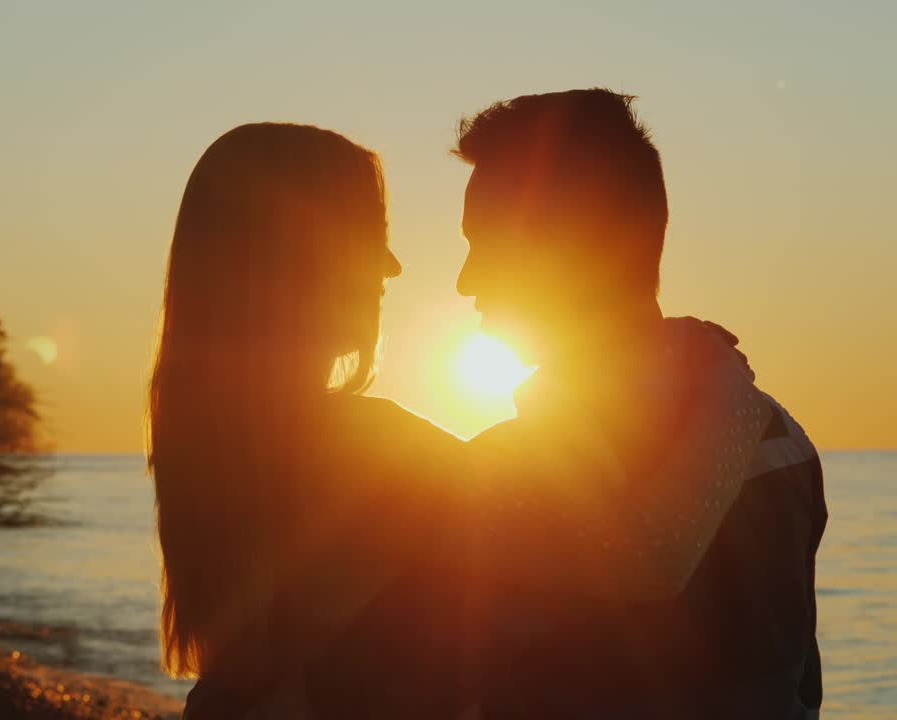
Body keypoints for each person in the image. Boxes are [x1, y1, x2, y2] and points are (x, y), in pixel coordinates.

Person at [147, 122, 771, 720]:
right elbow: (647, 561)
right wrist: (727, 390)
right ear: (294, 258)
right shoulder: (353, 448)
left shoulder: (223, 445)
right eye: (369, 232)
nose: (391, 267)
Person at [300, 90, 827, 719]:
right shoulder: (781, 440)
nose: (466, 280)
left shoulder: (514, 470)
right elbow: (798, 687)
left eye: (485, 242)